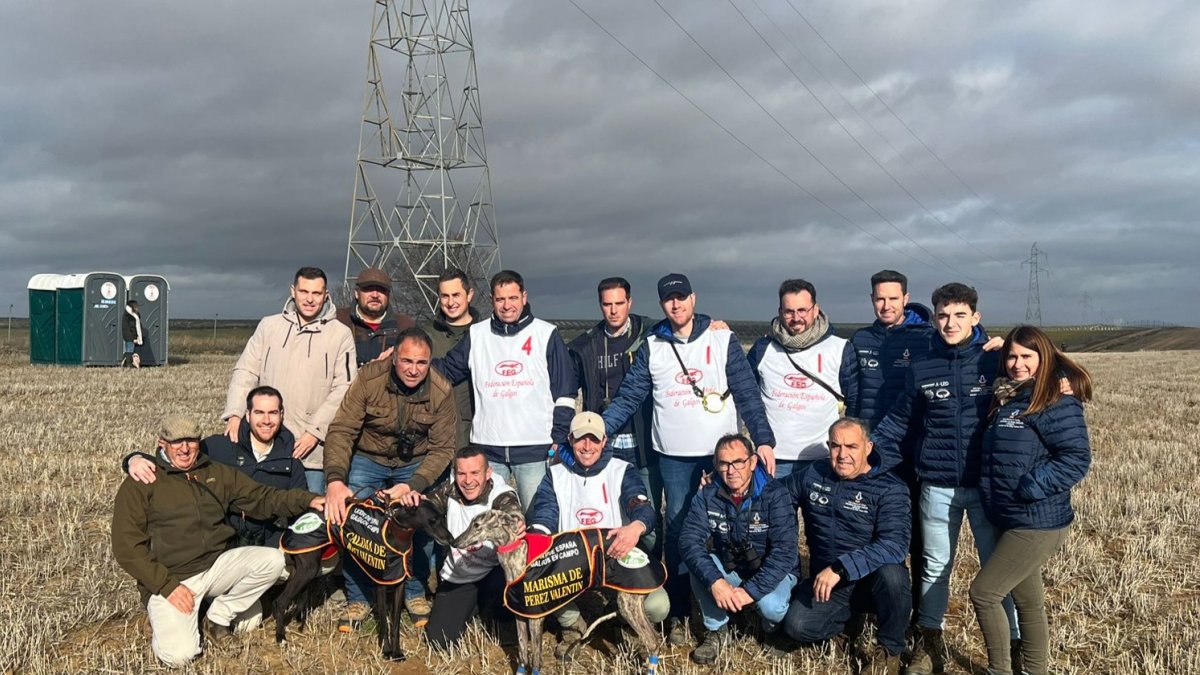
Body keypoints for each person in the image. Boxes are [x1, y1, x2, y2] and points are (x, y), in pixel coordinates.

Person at [601, 272, 776, 644]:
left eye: (681, 297)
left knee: (737, 530)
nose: (676, 304)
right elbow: (630, 397)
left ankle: (746, 609)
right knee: (681, 533)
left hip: (722, 459)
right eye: (668, 300)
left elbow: (747, 393)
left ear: (693, 299)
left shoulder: (722, 338)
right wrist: (599, 430)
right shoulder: (653, 345)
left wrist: (763, 440)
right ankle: (680, 613)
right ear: (662, 305)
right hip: (674, 460)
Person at [871, 283, 1019, 675]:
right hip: (936, 483)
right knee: (935, 565)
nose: (950, 323)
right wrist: (865, 454)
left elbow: (1043, 378)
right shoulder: (922, 367)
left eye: (959, 315)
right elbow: (900, 420)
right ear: (933, 317)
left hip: (986, 485)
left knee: (996, 569)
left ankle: (1012, 646)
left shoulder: (996, 360)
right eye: (942, 315)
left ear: (976, 317)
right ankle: (929, 642)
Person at [111, 415, 323, 667]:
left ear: (199, 442)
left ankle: (216, 618)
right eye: (176, 441)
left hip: (215, 567)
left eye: (191, 440)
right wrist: (166, 586)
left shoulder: (215, 472)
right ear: (162, 443)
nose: (185, 448)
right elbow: (127, 547)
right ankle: (165, 617)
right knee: (180, 656)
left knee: (272, 565)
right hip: (172, 577)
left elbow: (263, 497)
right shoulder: (142, 482)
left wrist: (308, 500)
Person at [970, 326, 1092, 675]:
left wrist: (1030, 487)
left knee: (984, 593)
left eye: (1027, 356)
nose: (1017, 364)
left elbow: (1075, 458)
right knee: (1028, 602)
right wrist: (988, 341)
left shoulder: (1053, 397)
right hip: (1011, 518)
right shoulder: (1010, 396)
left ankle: (1000, 670)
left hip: (1036, 521)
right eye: (1011, 356)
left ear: (1044, 359)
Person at [323, 326, 458, 630]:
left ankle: (414, 591)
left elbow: (442, 448)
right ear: (394, 357)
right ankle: (358, 596)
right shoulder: (369, 379)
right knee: (357, 523)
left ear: (430, 362)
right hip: (368, 458)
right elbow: (342, 429)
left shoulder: (441, 390)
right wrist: (334, 480)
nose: (413, 369)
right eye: (407, 361)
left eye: (421, 363)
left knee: (421, 524)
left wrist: (414, 485)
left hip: (415, 465)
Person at [526, 412, 669, 658]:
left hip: (615, 554)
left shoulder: (622, 470)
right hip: (572, 559)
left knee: (658, 607)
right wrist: (535, 539)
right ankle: (573, 626)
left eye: (595, 439)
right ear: (570, 439)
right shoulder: (555, 475)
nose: (588, 446)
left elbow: (641, 505)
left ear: (605, 441)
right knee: (537, 580)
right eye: (581, 439)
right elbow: (544, 515)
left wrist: (635, 527)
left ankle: (627, 624)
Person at [434, 269, 577, 508]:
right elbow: (446, 370)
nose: (507, 305)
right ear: (492, 300)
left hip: (534, 449)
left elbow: (565, 392)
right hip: (489, 450)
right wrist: (403, 359)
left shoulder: (546, 334)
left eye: (512, 298)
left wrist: (559, 436)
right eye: (500, 299)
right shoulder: (477, 335)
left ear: (524, 297)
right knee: (487, 521)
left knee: (537, 518)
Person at [782, 418, 911, 675]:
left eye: (851, 446)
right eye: (835, 446)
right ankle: (845, 623)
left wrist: (841, 567)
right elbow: (774, 495)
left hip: (870, 582)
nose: (842, 455)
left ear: (868, 447)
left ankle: (890, 650)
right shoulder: (814, 474)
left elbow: (894, 545)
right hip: (831, 585)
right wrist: (724, 485)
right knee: (797, 627)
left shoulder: (891, 488)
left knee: (894, 577)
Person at [221, 266, 357, 494]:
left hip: (311, 451)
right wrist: (235, 413)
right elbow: (246, 371)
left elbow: (344, 389)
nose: (310, 299)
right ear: (293, 291)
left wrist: (315, 432)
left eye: (316, 293)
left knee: (310, 517)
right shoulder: (269, 326)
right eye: (304, 291)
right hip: (266, 442)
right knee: (262, 506)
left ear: (326, 295)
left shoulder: (340, 335)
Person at [846, 269, 933, 622]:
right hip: (871, 455)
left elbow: (971, 352)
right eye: (880, 298)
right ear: (872, 300)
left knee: (917, 537)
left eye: (893, 298)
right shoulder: (860, 339)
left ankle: (917, 613)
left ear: (906, 299)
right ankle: (870, 607)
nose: (886, 305)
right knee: (868, 531)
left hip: (912, 454)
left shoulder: (927, 337)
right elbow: (851, 396)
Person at [121, 386, 306, 548]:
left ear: (281, 415)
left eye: (273, 413)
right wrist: (134, 459)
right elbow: (179, 455)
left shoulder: (291, 458)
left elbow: (297, 508)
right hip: (223, 541)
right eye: (259, 412)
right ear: (247, 415)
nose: (266, 420)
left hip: (269, 540)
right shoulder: (220, 446)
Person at [678, 434, 797, 664]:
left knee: (772, 607)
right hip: (733, 568)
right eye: (723, 464)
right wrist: (716, 582)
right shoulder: (707, 495)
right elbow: (688, 540)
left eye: (738, 462)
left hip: (772, 570)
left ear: (752, 462)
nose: (731, 470)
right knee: (699, 566)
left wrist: (750, 592)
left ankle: (772, 630)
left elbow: (785, 553)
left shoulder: (776, 494)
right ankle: (717, 629)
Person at [567, 276, 662, 559]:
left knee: (648, 517)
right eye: (607, 304)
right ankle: (613, 576)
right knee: (608, 514)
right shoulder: (584, 346)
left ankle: (653, 575)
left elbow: (685, 320)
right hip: (605, 445)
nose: (613, 311)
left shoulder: (652, 335)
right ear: (600, 306)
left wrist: (710, 323)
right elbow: (564, 391)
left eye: (619, 303)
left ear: (630, 303)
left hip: (644, 444)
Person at [396, 445, 523, 650]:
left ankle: (494, 611)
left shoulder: (501, 495)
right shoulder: (450, 489)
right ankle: (472, 605)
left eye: (475, 473)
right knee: (439, 641)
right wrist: (413, 502)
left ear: (488, 473)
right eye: (461, 473)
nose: (468, 480)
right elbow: (427, 506)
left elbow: (513, 515)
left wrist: (516, 522)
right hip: (460, 575)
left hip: (495, 574)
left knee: (507, 605)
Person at [748, 278, 859, 479]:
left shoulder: (840, 348)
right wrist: (761, 441)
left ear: (815, 310)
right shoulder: (763, 348)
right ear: (780, 312)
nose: (796, 317)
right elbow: (748, 399)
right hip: (774, 459)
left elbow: (855, 402)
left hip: (823, 459)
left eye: (802, 310)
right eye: (789, 311)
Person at [420, 267, 483, 449]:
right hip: (435, 434)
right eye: (445, 296)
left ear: (469, 295)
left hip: (476, 434)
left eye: (456, 295)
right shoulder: (426, 335)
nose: (450, 302)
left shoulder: (485, 333)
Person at [336, 267, 416, 366]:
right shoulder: (339, 321)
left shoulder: (405, 326)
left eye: (381, 290)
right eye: (368, 289)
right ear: (356, 293)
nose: (375, 295)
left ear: (388, 295)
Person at [122, 300, 144, 368]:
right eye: (136, 306)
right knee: (129, 351)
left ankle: (127, 363)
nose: (137, 308)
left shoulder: (134, 315)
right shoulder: (127, 316)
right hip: (130, 337)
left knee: (130, 351)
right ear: (133, 306)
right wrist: (132, 338)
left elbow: (137, 326)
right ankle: (128, 365)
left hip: (133, 337)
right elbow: (126, 328)